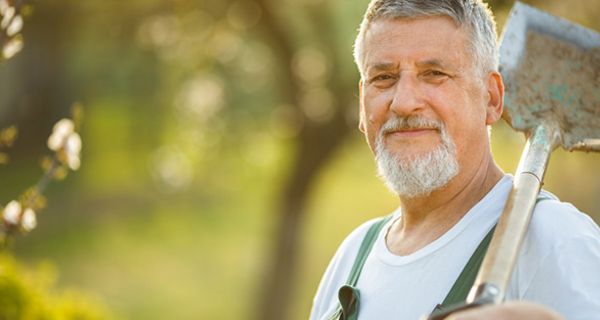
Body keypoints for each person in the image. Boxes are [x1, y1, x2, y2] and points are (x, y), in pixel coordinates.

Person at [309, 1, 600, 319]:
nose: (404, 103)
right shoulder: (352, 257)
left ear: (491, 98)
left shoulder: (554, 238)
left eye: (434, 74)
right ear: (362, 105)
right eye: (384, 78)